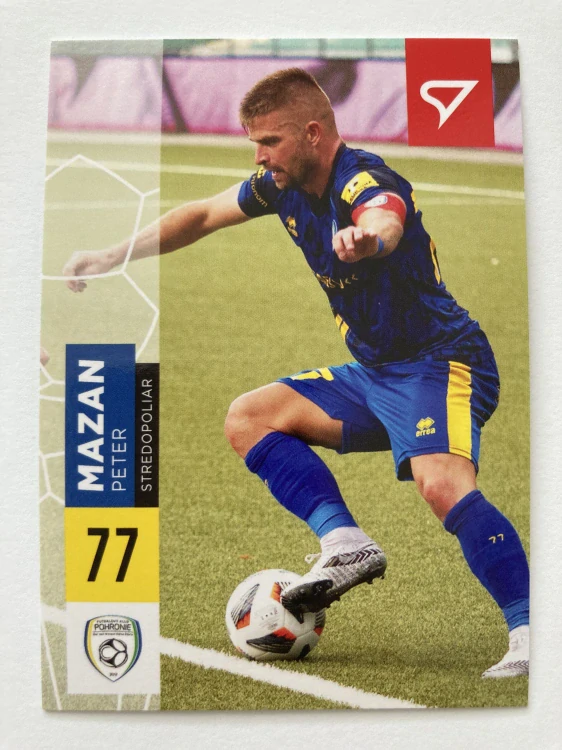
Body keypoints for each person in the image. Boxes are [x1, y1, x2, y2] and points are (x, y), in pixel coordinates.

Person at [63, 68, 529, 679]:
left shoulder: (362, 179)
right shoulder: (279, 185)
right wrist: (112, 255)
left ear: (312, 133)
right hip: (376, 373)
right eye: (255, 143)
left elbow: (386, 213)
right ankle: (344, 543)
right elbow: (201, 215)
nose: (259, 157)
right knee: (250, 418)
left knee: (440, 483)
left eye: (269, 141)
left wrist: (370, 239)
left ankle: (532, 632)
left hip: (441, 364)